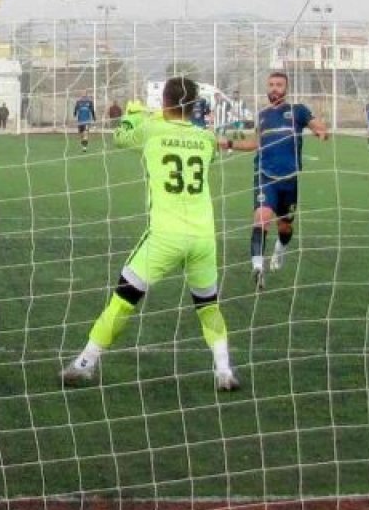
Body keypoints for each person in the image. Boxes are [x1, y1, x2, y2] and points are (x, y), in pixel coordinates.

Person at [61, 77, 240, 391]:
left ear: (164, 102)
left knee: (124, 299)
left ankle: (86, 363)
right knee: (208, 306)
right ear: (194, 105)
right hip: (203, 238)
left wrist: (133, 113)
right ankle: (224, 370)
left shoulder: (151, 129)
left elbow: (120, 136)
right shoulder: (207, 138)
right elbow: (199, 146)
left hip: (165, 236)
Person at [220, 71, 329, 291]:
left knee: (286, 226)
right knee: (261, 218)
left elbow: (320, 127)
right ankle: (258, 268)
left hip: (289, 179)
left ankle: (280, 248)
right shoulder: (262, 115)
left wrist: (321, 132)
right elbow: (255, 144)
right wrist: (229, 144)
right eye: (271, 85)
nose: (274, 88)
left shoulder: (297, 111)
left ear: (286, 88)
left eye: (279, 85)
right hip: (265, 175)